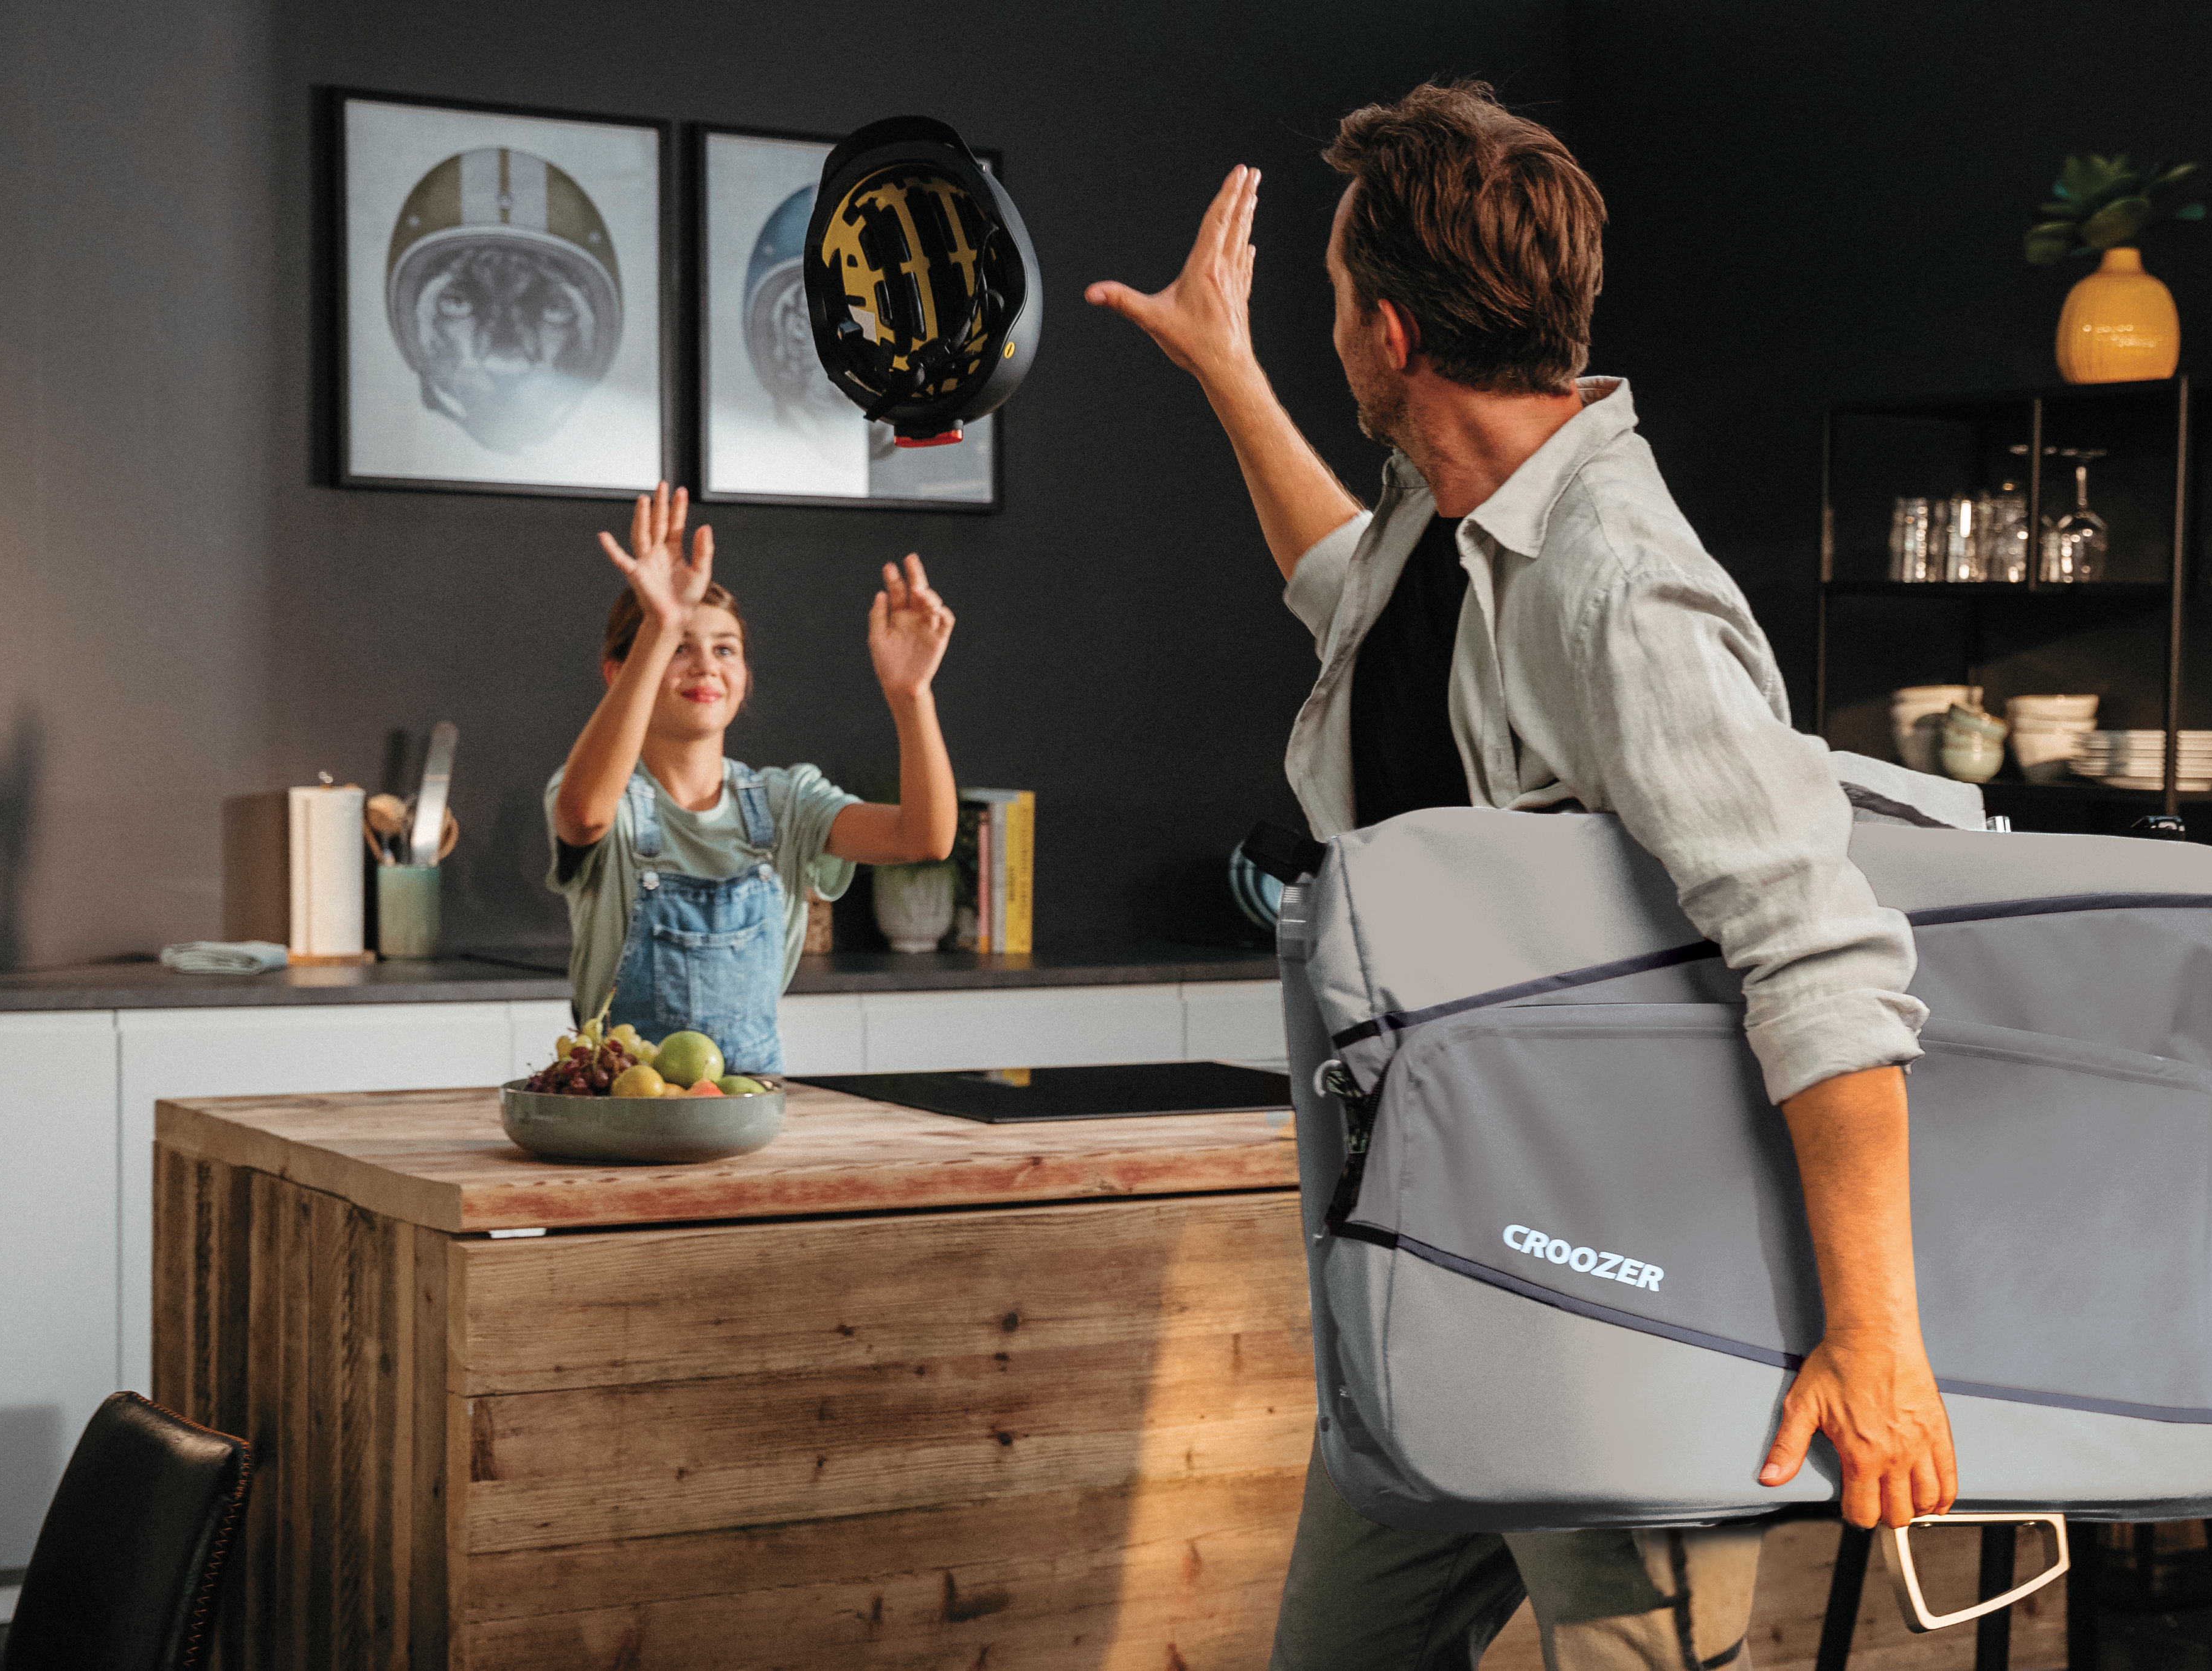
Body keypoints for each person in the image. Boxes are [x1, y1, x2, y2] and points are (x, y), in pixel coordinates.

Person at [1086, 83, 1956, 1670]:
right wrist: (1223, 369)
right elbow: (1339, 589)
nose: (1325, 320)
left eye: (1334, 294)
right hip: (1437, 1268)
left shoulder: (1617, 589)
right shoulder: (1447, 502)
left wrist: (1877, 1340)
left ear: (1394, 337)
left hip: (1608, 1294)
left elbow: (1821, 955)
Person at [545, 482, 958, 1067]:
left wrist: (911, 695)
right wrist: (659, 621)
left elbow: (925, 837)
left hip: (748, 1108)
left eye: (725, 649)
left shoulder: (788, 802)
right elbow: (584, 813)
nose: (705, 667)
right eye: (678, 648)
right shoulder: (607, 796)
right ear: (621, 670)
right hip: (620, 1109)